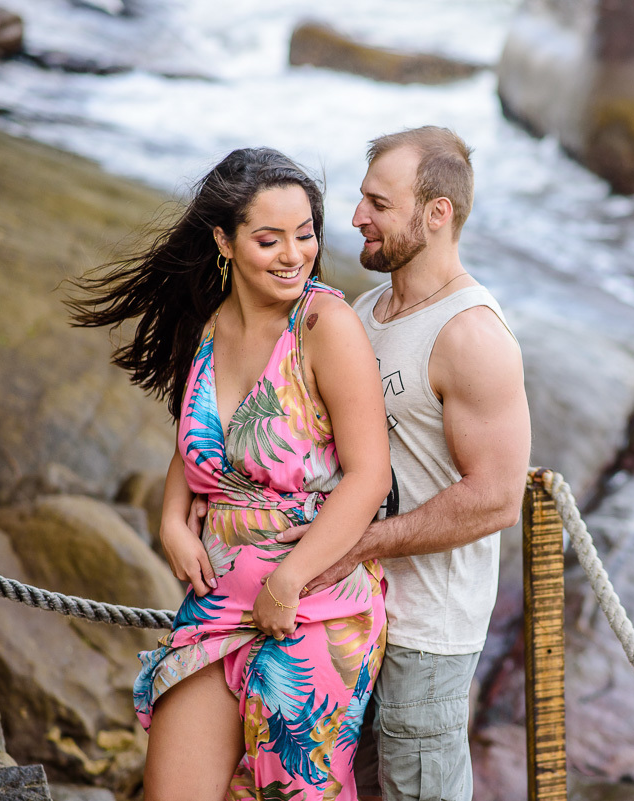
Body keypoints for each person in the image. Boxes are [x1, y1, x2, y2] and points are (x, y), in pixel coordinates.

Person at [68, 148, 393, 801]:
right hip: (216, 607)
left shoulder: (325, 326)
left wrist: (288, 581)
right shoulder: (211, 324)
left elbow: (370, 477)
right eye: (269, 240)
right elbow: (202, 447)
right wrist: (170, 519)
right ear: (224, 240)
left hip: (310, 608)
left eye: (305, 235)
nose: (294, 255)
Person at [263, 126, 531, 800]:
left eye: (378, 204)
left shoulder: (471, 335)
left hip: (425, 635)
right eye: (362, 199)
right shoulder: (365, 311)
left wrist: (362, 543)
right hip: (348, 617)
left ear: (436, 213)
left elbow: (498, 497)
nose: (356, 216)